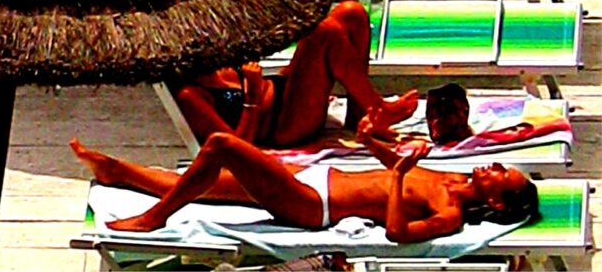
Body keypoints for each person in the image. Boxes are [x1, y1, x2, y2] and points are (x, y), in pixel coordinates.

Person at [70, 117, 539, 241]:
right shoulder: (450, 176)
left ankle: (154, 218)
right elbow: (386, 160)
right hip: (318, 175)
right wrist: (370, 137)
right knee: (211, 183)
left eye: (501, 175)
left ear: (497, 203)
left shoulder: (451, 214)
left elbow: (397, 232)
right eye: (500, 164)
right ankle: (120, 172)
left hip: (315, 207)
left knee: (220, 146)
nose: (492, 166)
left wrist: (397, 176)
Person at [169, 1, 418, 149]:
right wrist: (252, 99)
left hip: (282, 92)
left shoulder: (216, 62)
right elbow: (234, 150)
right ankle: (378, 110)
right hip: (284, 126)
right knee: (324, 32)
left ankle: (359, 114)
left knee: (351, 13)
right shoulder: (190, 96)